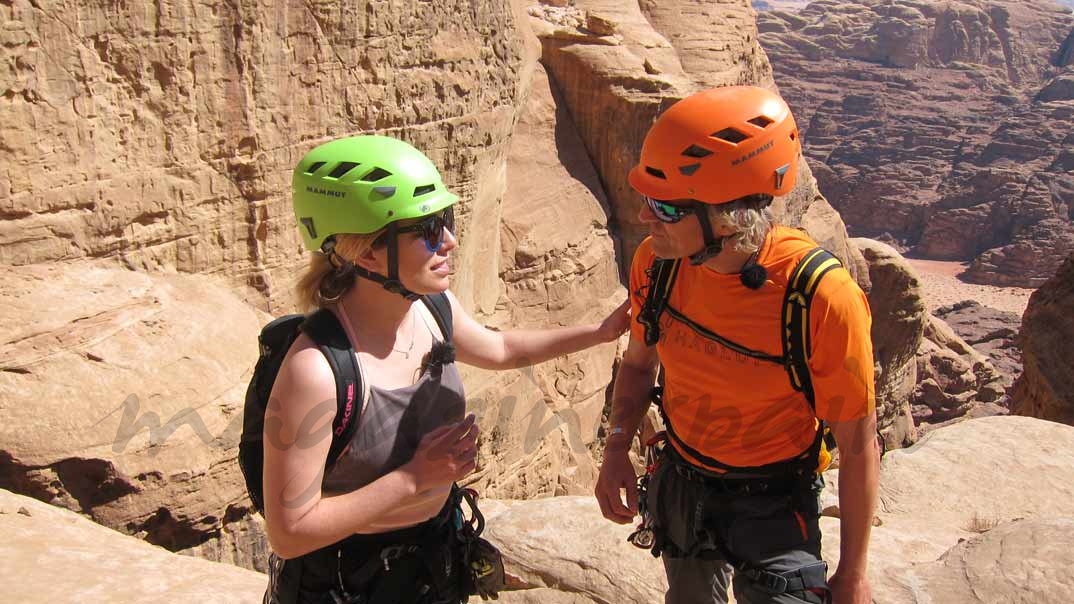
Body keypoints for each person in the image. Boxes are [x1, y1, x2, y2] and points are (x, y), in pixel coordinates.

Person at [262, 135, 630, 604]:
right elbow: (289, 533)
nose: (451, 241)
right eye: (430, 229)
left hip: (432, 559)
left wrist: (599, 332)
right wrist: (415, 478)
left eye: (447, 220)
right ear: (367, 253)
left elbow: (498, 349)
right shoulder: (315, 372)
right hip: (348, 582)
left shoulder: (432, 308)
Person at [594, 86, 880, 604]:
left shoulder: (820, 296)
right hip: (682, 482)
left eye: (664, 206)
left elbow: (858, 443)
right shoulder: (656, 265)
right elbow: (638, 367)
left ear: (726, 215)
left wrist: (853, 575)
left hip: (775, 502)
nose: (643, 218)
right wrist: (616, 447)